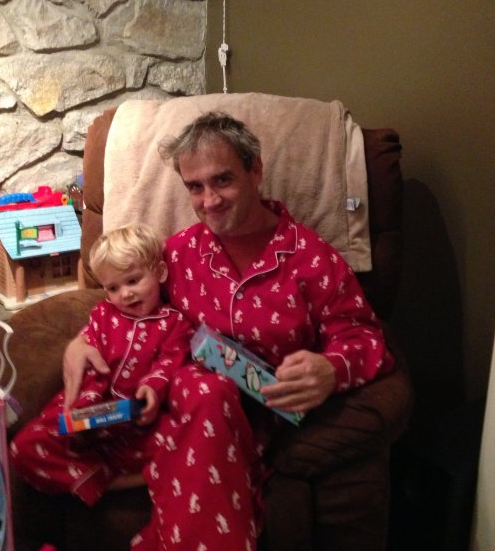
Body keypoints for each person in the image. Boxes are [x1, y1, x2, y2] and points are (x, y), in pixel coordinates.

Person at [63, 111, 395, 550]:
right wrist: (81, 341)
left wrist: (331, 370)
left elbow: (365, 337)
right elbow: (126, 304)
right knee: (194, 390)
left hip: (259, 418)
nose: (209, 200)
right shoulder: (177, 254)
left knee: (208, 393)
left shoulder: (311, 258)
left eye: (222, 180)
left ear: (255, 171)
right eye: (195, 187)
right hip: (168, 410)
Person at [10, 224, 194, 507]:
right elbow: (87, 344)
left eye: (133, 281)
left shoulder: (174, 323)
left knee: (187, 441)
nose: (125, 294)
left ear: (159, 273)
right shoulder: (103, 314)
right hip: (91, 414)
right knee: (23, 447)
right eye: (113, 288)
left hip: (139, 424)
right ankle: (106, 481)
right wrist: (83, 375)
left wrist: (152, 387)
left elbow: (170, 362)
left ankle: (132, 477)